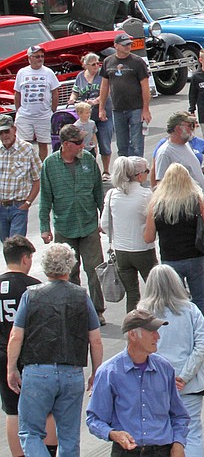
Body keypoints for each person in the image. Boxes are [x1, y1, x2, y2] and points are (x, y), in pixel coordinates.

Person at [8, 242, 103, 457]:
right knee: (69, 436)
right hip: (72, 372)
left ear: (45, 266)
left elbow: (16, 336)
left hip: (37, 370)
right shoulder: (81, 296)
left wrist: (11, 368)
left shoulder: (30, 295)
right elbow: (95, 340)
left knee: (30, 432)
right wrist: (96, 372)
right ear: (70, 266)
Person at [85, 308, 189, 456]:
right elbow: (94, 419)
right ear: (133, 335)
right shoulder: (109, 372)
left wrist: (178, 444)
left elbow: (179, 415)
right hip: (127, 452)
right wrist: (114, 434)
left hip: (162, 451)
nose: (157, 337)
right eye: (152, 332)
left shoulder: (164, 369)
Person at [145, 164, 204, 326]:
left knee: (173, 305)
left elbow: (149, 237)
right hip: (194, 257)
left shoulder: (156, 204)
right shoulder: (196, 200)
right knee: (199, 302)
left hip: (170, 260)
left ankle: (179, 341)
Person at [138, 264, 204, 457]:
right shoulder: (190, 309)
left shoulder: (142, 313)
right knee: (191, 432)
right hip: (189, 385)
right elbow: (203, 346)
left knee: (159, 435)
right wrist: (184, 377)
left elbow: (136, 349)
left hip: (153, 385)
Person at [38, 124, 106, 323]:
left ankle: (97, 310)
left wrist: (104, 219)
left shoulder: (89, 160)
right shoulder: (50, 165)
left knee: (94, 269)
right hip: (65, 227)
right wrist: (44, 227)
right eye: (78, 143)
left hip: (88, 224)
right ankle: (76, 310)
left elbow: (98, 192)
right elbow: (45, 199)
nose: (82, 145)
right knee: (69, 273)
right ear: (66, 144)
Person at [1, 236, 48, 457]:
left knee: (12, 410)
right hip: (30, 355)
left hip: (2, 355)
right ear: (25, 258)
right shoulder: (34, 288)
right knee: (46, 410)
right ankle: (49, 451)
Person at [100, 156, 156, 311]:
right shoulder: (146, 195)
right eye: (146, 171)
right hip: (143, 249)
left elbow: (104, 225)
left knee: (132, 294)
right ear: (138, 175)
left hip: (121, 251)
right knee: (155, 291)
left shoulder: (112, 194)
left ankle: (132, 329)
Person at [98, 32, 151, 158]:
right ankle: (125, 170)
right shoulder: (108, 62)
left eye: (129, 44)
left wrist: (146, 109)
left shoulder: (137, 62)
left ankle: (137, 171)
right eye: (125, 45)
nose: (128, 47)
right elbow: (104, 86)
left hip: (136, 108)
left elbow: (145, 87)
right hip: (117, 109)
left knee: (136, 144)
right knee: (121, 145)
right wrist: (101, 108)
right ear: (116, 46)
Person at [13, 45, 59, 162]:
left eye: (42, 56)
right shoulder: (22, 72)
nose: (40, 59)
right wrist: (18, 110)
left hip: (43, 115)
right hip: (25, 115)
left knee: (43, 143)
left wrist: (52, 110)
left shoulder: (48, 72)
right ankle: (26, 167)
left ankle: (40, 169)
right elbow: (17, 93)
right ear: (29, 58)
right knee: (24, 144)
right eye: (37, 56)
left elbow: (55, 93)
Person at [0, 114, 40, 241]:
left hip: (18, 206)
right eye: (0, 133)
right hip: (1, 207)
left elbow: (37, 179)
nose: (4, 135)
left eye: (7, 131)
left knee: (16, 245)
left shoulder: (27, 149)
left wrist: (28, 202)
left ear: (14, 129)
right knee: (6, 246)